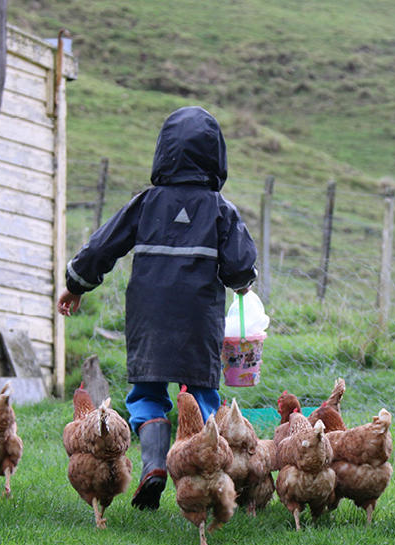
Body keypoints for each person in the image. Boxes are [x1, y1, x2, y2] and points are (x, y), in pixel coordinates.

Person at [57, 106, 257, 510]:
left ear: (163, 152)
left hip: (150, 317)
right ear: (216, 157)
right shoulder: (220, 210)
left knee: (147, 392)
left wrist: (76, 285)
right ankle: (203, 475)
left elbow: (103, 245)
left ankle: (152, 466)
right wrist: (243, 285)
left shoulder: (146, 203)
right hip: (199, 319)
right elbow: (239, 270)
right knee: (201, 395)